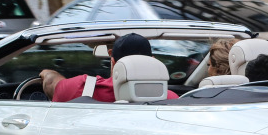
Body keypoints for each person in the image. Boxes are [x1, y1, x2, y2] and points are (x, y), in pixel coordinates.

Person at [39, 33, 178, 102]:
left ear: (113, 62)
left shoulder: (82, 88)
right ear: (153, 61)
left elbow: (51, 82)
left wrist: (46, 73)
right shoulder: (170, 99)